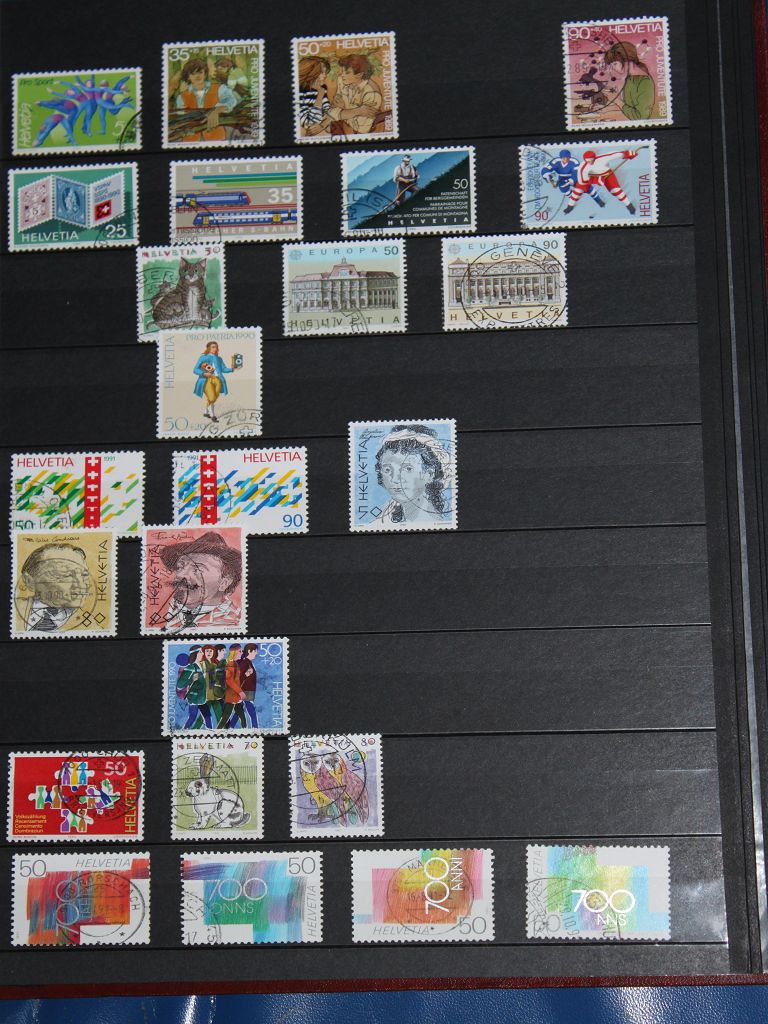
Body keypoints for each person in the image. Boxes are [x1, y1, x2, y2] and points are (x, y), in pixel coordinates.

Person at [159, 531, 243, 632]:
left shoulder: (235, 622)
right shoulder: (166, 614)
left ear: (224, 583)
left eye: (197, 569)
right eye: (180, 567)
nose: (181, 574)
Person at [373, 424, 453, 526]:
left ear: (429, 474)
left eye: (408, 469)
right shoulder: (384, 519)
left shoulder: (433, 523)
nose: (394, 479)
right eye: (387, 469)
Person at [19, 541, 90, 632]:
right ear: (30, 582)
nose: (82, 585)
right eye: (66, 575)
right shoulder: (13, 611)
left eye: (84, 575)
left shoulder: (92, 625)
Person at [173, 58, 238, 143]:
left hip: (216, 138)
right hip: (191, 140)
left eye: (200, 72)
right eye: (193, 73)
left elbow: (231, 100)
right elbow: (181, 119)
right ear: (188, 77)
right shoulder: (181, 97)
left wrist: (217, 110)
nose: (197, 76)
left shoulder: (219, 88)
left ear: (205, 74)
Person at [563, 149, 638, 215]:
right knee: (578, 190)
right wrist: (596, 180)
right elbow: (582, 181)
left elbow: (614, 154)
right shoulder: (583, 167)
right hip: (591, 177)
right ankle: (570, 206)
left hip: (607, 174)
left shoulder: (602, 158)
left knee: (615, 191)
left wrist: (626, 154)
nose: (589, 162)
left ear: (594, 158)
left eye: (591, 160)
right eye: (587, 161)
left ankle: (629, 205)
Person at [327, 54, 382, 136]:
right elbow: (332, 110)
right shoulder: (342, 81)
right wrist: (358, 111)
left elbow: (361, 128)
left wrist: (343, 109)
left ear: (359, 75)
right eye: (342, 71)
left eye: (347, 72)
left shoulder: (372, 93)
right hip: (341, 126)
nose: (342, 75)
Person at [603, 41, 656, 121]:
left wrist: (617, 101)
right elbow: (628, 106)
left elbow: (641, 117)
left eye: (615, 64)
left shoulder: (645, 82)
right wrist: (606, 108)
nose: (613, 68)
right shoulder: (630, 78)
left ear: (627, 60)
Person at [192, 340, 238, 423]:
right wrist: (204, 373)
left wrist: (232, 369)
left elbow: (223, 369)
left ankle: (206, 412)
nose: (215, 349)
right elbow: (195, 369)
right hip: (207, 379)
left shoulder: (219, 359)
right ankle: (212, 416)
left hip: (218, 380)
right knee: (212, 397)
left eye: (216, 347)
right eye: (213, 347)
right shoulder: (203, 357)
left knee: (214, 397)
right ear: (208, 348)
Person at [180, 645, 222, 730]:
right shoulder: (192, 667)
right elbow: (180, 685)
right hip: (194, 698)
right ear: (195, 654)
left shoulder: (204, 665)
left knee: (208, 717)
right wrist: (191, 680)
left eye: (202, 652)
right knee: (192, 717)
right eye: (201, 652)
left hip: (202, 698)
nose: (203, 653)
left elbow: (209, 680)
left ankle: (210, 732)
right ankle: (183, 731)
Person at [298, 57, 332, 135]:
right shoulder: (299, 92)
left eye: (326, 73)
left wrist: (325, 123)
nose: (325, 76)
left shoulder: (322, 88)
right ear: (311, 73)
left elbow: (328, 112)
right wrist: (319, 96)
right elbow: (309, 124)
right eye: (322, 73)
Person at [219, 643, 248, 729]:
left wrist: (245, 675)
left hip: (236, 696)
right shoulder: (230, 664)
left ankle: (245, 731)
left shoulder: (234, 664)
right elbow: (229, 681)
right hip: (232, 695)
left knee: (242, 716)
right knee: (225, 718)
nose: (241, 652)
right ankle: (216, 733)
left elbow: (236, 680)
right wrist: (240, 692)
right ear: (234, 652)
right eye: (240, 651)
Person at [238, 643, 260, 728]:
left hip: (248, 691)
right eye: (255, 651)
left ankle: (230, 727)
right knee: (251, 710)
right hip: (245, 691)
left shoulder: (249, 662)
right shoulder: (244, 663)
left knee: (239, 711)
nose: (256, 653)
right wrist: (247, 674)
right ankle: (255, 728)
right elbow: (239, 678)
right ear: (249, 651)